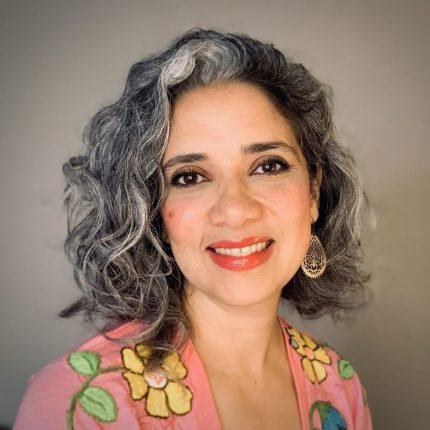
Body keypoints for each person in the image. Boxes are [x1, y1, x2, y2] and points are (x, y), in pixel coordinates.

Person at [15, 28, 372, 430]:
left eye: (268, 166)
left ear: (313, 192)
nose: (234, 210)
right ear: (152, 212)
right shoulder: (77, 403)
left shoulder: (339, 384)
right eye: (189, 177)